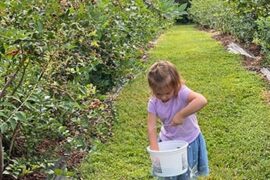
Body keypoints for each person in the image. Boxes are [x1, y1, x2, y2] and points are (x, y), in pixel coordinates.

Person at [147, 60, 209, 179]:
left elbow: (201, 100)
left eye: (167, 93)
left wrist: (181, 114)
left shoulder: (181, 92)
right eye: (159, 94)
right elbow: (151, 127)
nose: (163, 97)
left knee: (187, 174)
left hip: (189, 140)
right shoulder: (153, 102)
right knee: (169, 174)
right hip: (168, 141)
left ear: (176, 85)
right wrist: (156, 153)